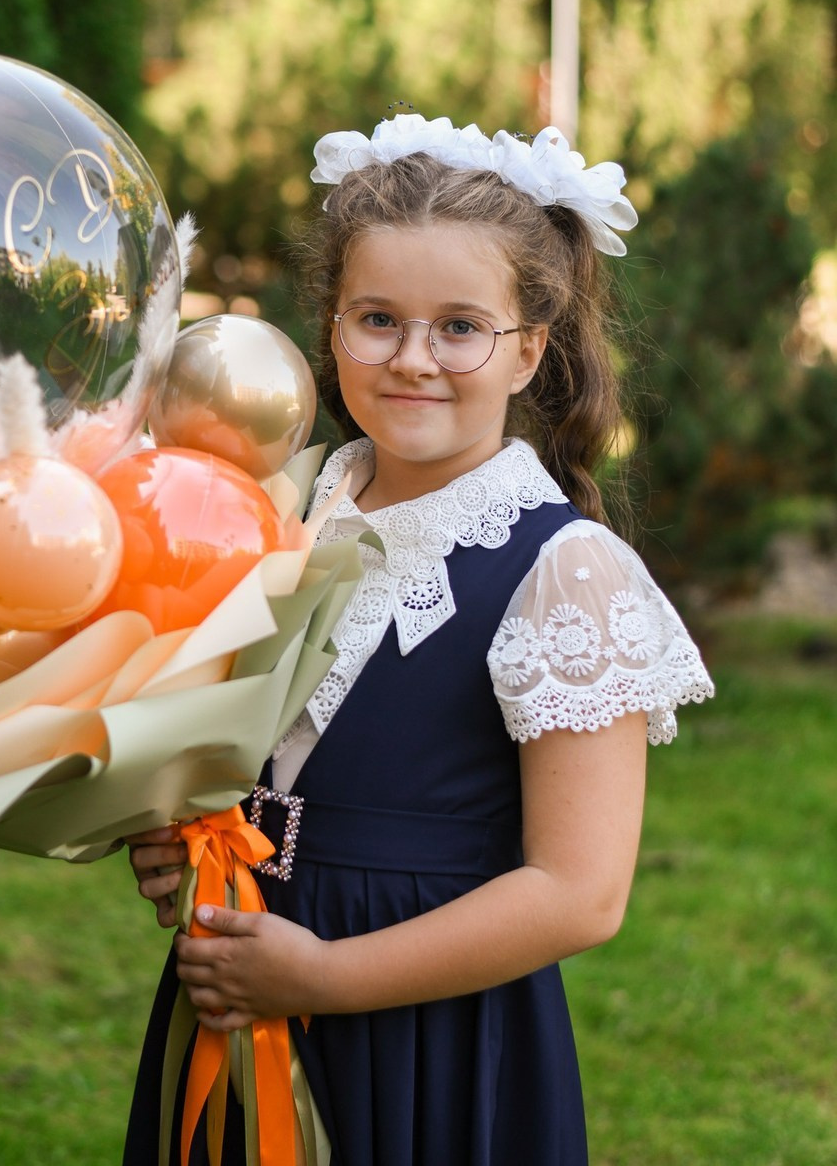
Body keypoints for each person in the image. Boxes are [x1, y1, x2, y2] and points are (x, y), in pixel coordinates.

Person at [121, 112, 715, 1166]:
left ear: (527, 348)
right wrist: (191, 836)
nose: (411, 359)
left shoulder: (559, 572)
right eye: (377, 318)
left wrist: (321, 978)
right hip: (239, 1002)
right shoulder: (285, 508)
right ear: (332, 323)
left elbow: (579, 892)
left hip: (427, 1034)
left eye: (458, 327)